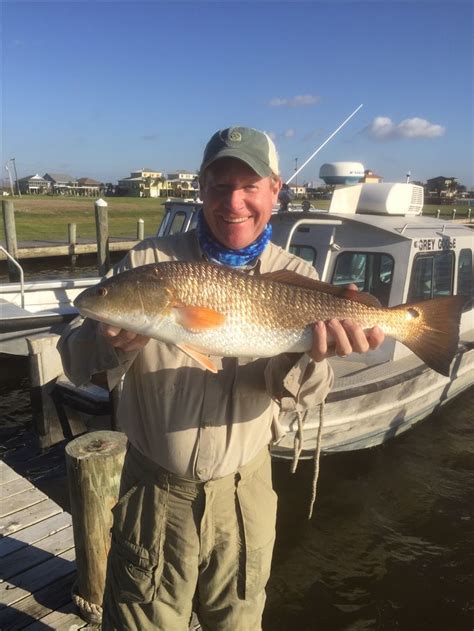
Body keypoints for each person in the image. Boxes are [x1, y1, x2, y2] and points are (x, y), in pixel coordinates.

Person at [58, 126, 384, 631]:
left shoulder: (295, 272)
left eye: (249, 185)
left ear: (276, 190)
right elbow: (75, 358)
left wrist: (315, 356)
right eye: (219, 185)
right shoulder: (148, 263)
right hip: (154, 496)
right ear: (201, 190)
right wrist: (108, 342)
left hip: (244, 497)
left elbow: (308, 396)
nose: (234, 201)